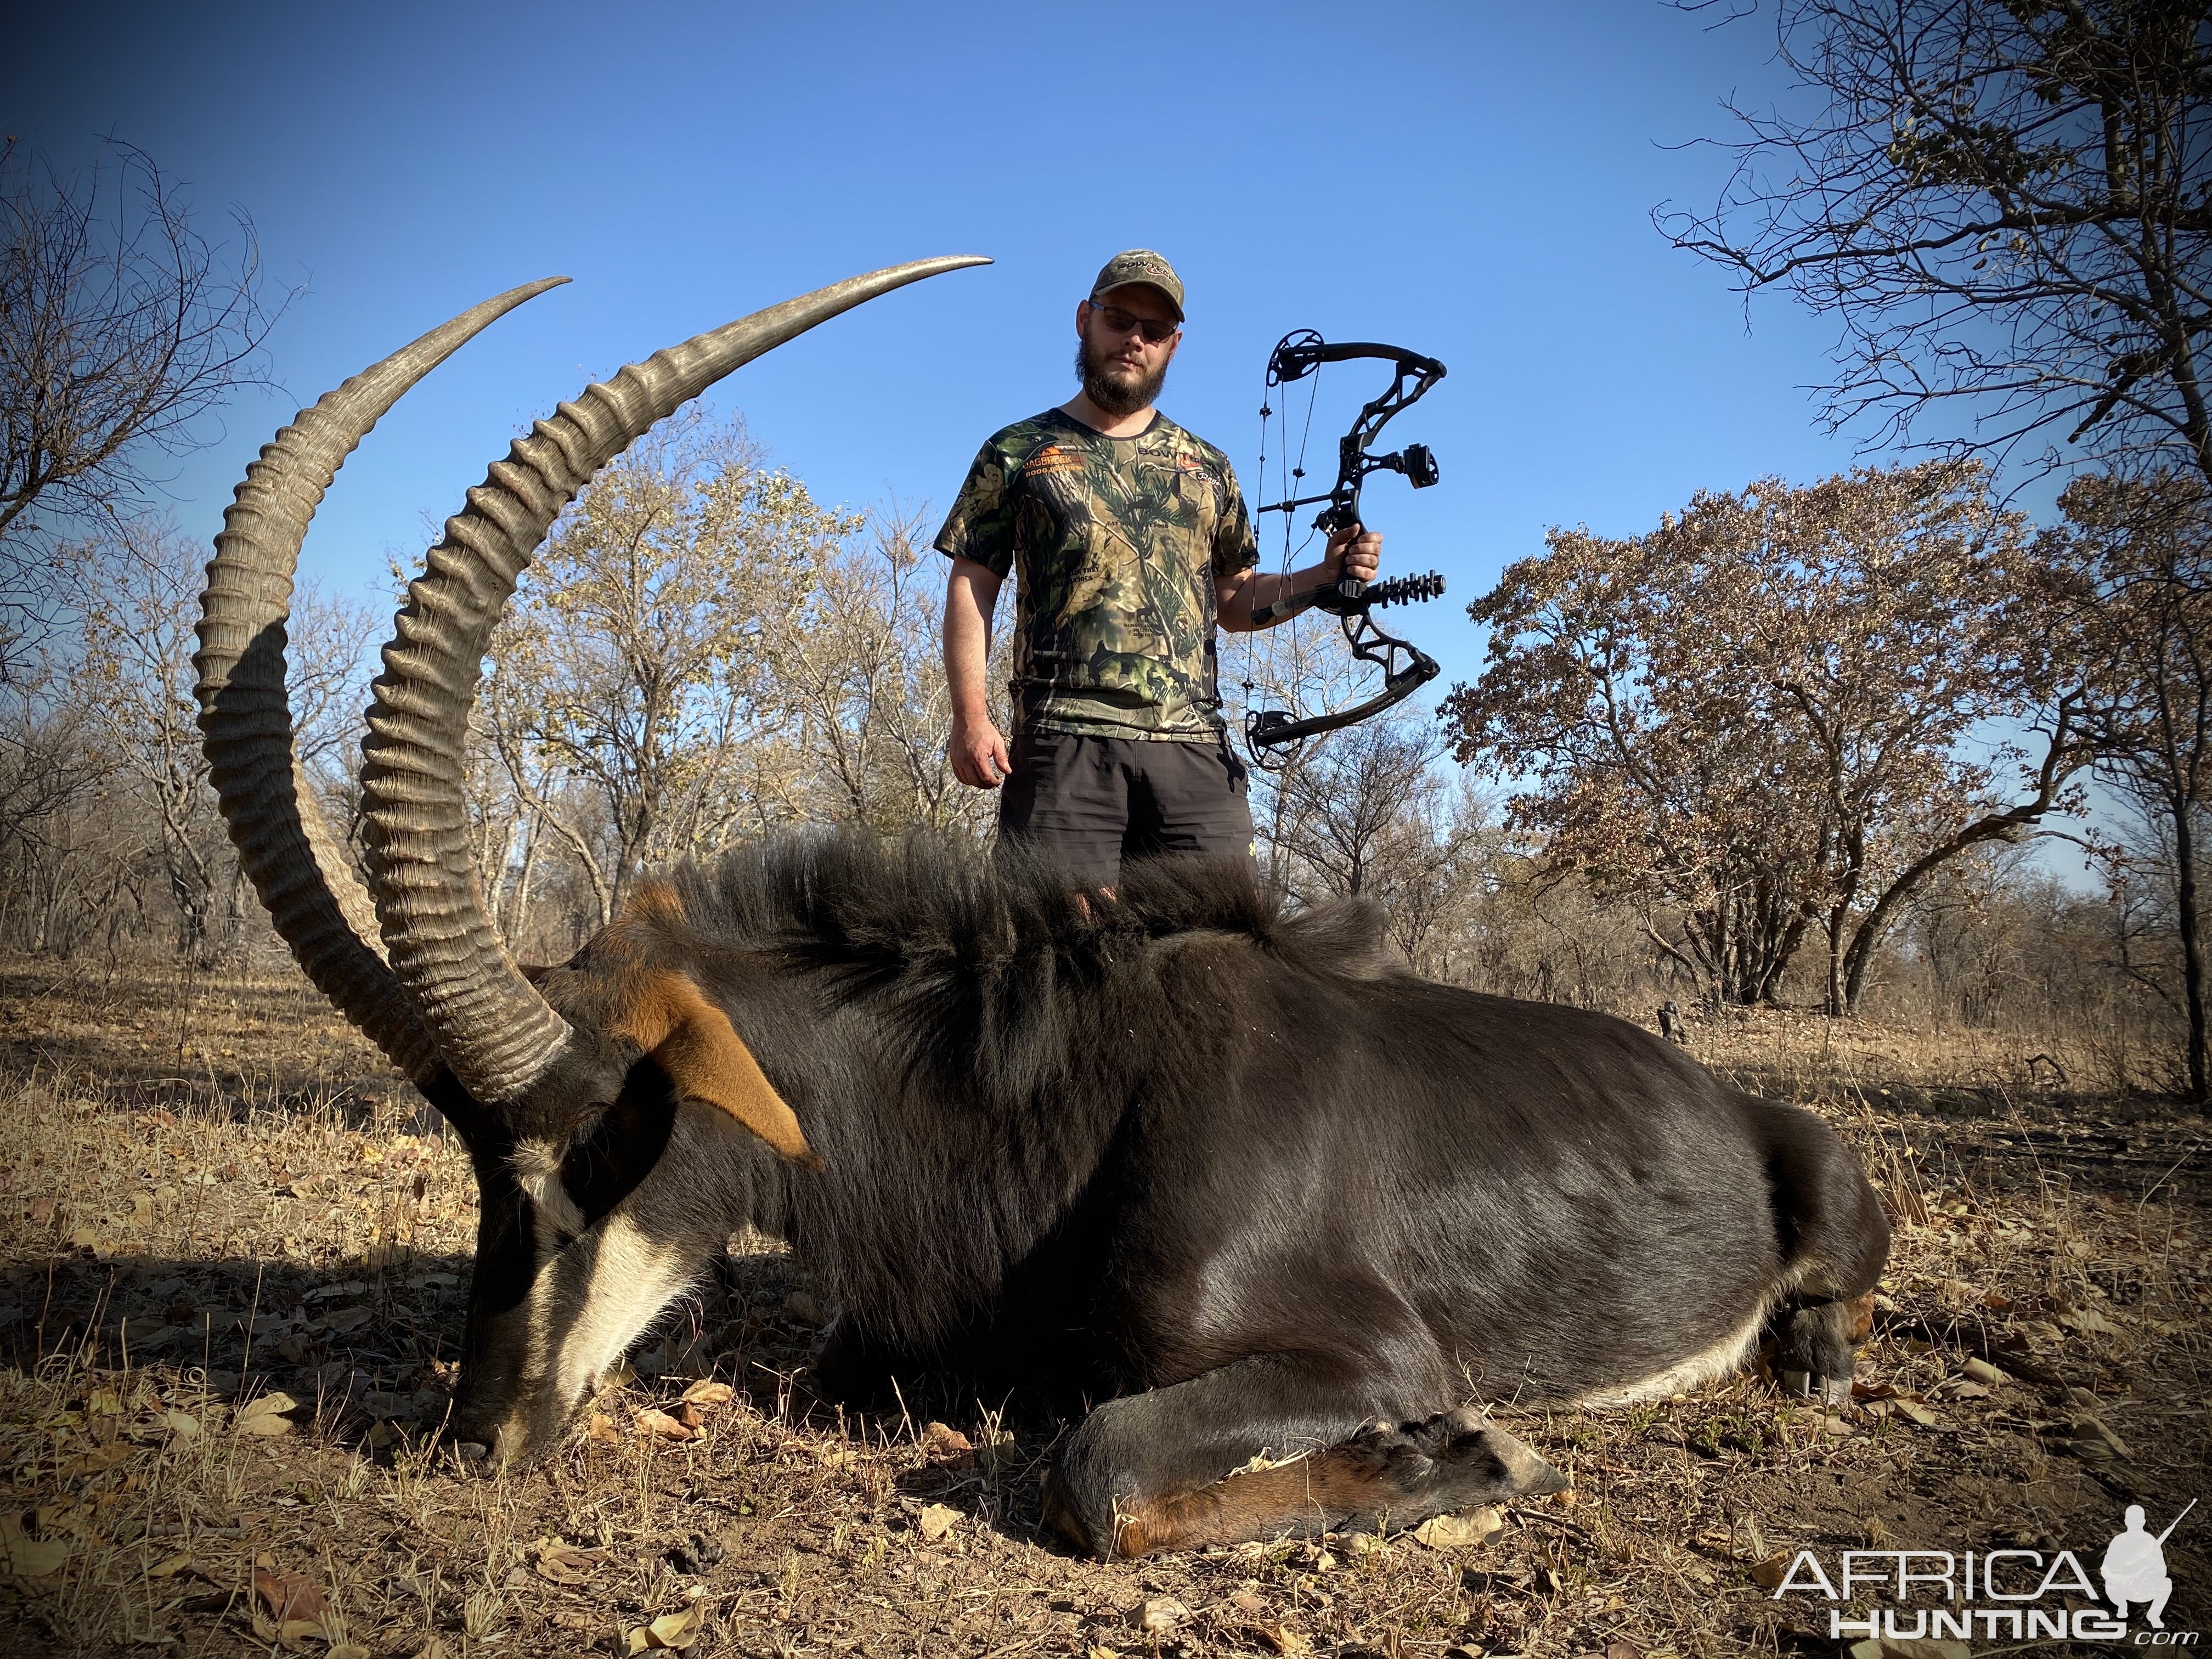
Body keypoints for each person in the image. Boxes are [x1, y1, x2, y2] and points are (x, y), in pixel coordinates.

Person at [935, 250, 1381, 888]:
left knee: (1222, 964)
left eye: (1153, 330)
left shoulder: (1208, 467)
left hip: (1195, 752)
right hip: (1063, 745)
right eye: (1119, 319)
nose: (1133, 339)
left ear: (1174, 344)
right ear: (1085, 319)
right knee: (1055, 968)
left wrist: (1321, 575)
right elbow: (972, 587)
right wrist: (970, 720)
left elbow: (1234, 601)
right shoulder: (1017, 451)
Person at [2102, 1504, 2176, 1628]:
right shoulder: (2119, 1540)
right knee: (2111, 1584)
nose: (2135, 1524)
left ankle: (2154, 1615)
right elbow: (2105, 1568)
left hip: (2142, 1589)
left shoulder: (2151, 1542)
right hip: (2120, 1588)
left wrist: (2147, 1570)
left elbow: (2162, 1570)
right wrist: (2120, 1578)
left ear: (2143, 1522)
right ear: (2126, 1522)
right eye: (2132, 1521)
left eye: (2137, 1521)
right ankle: (2122, 1607)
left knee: (2167, 1583)